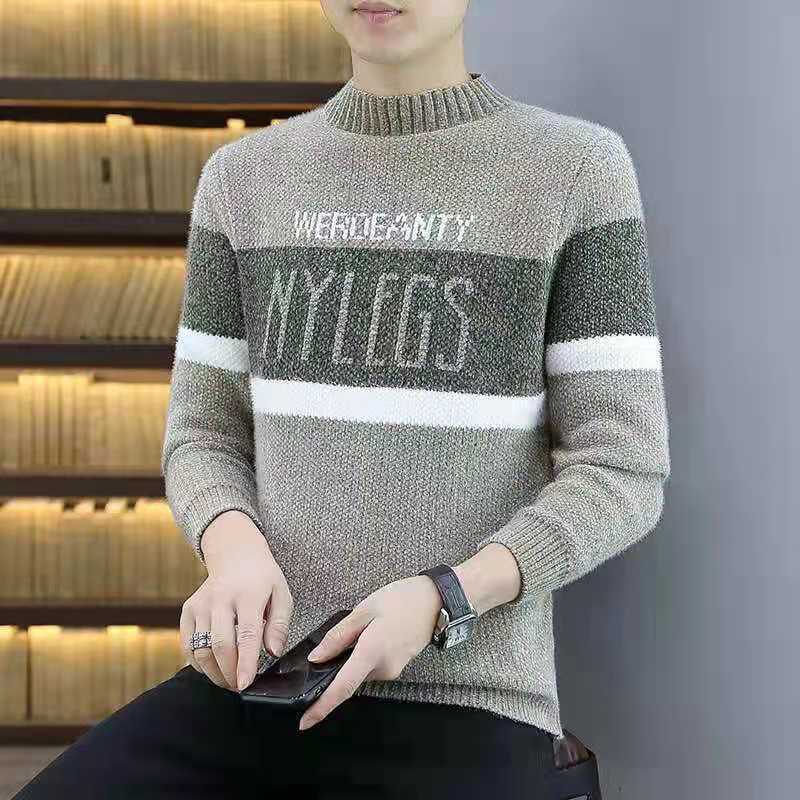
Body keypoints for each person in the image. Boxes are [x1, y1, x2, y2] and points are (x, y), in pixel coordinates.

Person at [13, 0, 670, 797]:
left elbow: (623, 468)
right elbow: (203, 433)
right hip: (257, 691)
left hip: (469, 709)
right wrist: (232, 547)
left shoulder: (576, 170)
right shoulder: (242, 178)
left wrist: (444, 599)